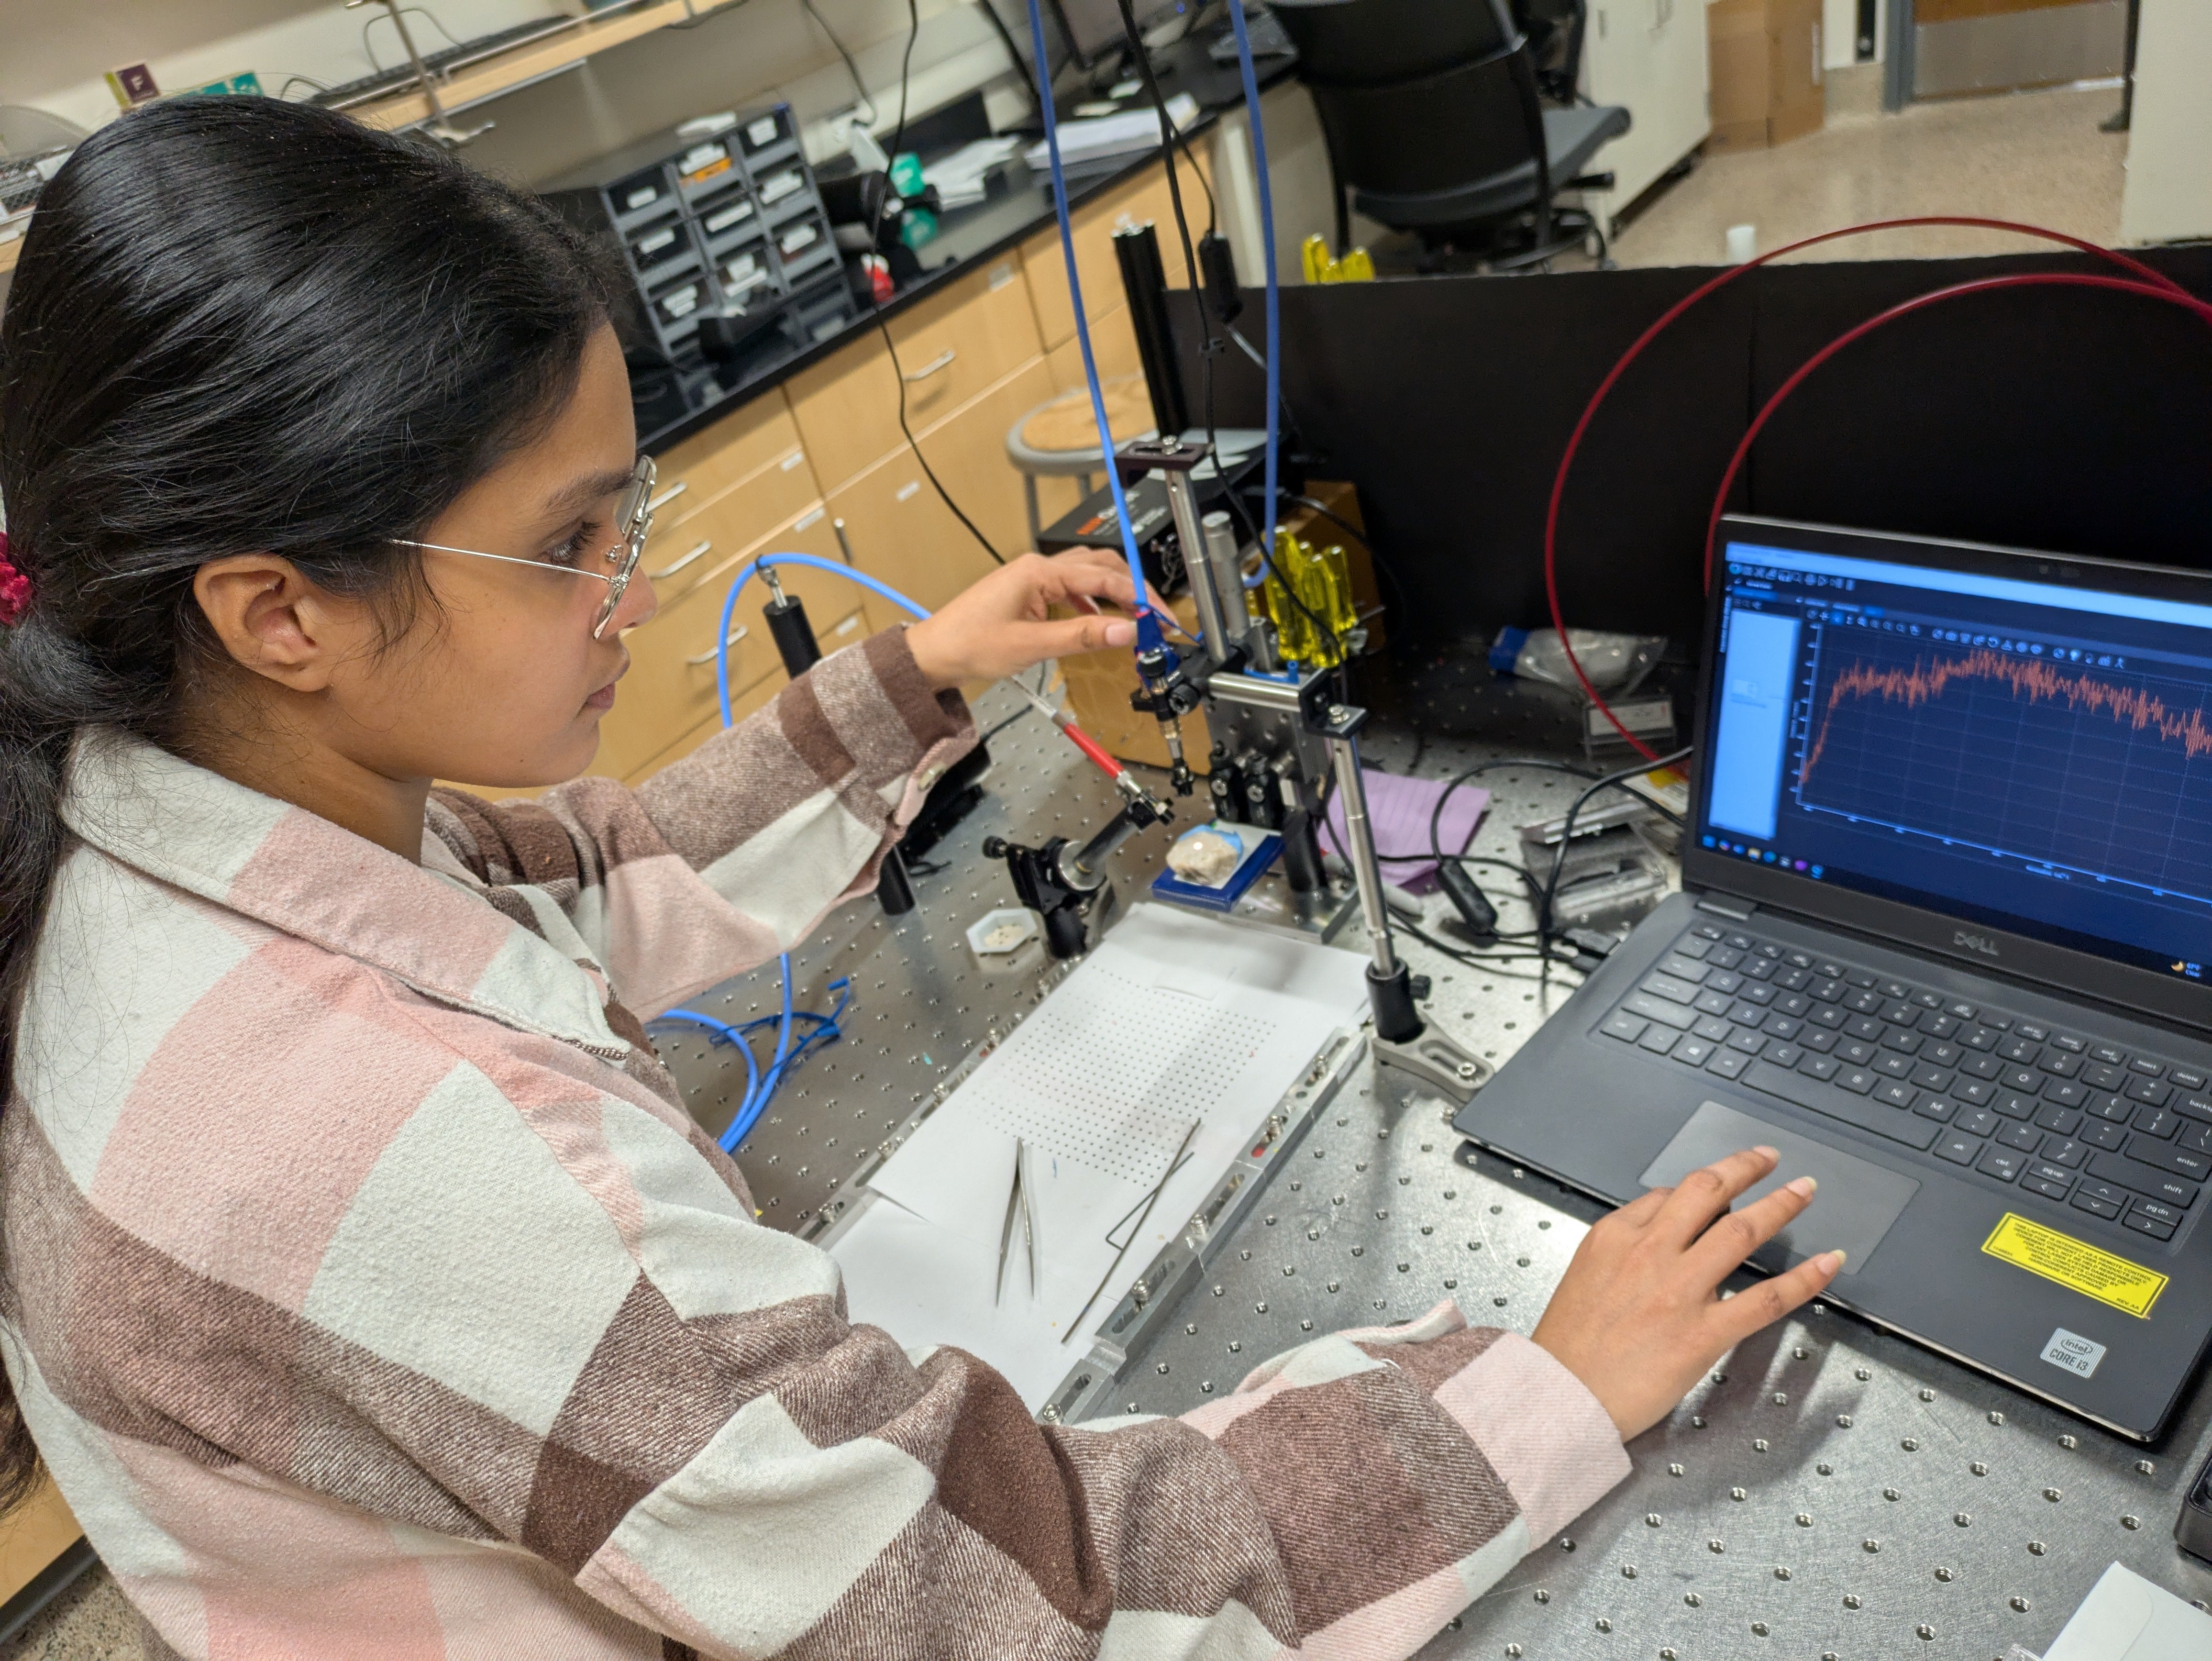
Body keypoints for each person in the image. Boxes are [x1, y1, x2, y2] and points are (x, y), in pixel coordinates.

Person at [0, 98, 1840, 1660]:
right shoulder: (396, 1145)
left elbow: (596, 870)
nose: (631, 594)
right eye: (569, 543)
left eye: (623, 512)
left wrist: (926, 673)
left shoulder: (146, 826)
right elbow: (1010, 1604)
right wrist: (1544, 1392)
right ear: (278, 609)